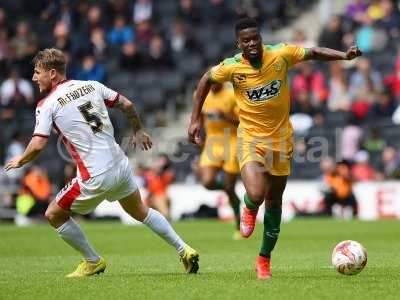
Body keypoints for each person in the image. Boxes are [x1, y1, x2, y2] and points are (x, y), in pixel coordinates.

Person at [188, 18, 361, 281]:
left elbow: (313, 52)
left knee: (274, 202)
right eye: (246, 40)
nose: (252, 43)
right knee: (256, 193)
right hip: (250, 139)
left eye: (255, 38)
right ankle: (248, 206)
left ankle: (264, 260)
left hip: (281, 141)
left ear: (260, 37)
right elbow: (205, 80)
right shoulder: (232, 67)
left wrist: (344, 56)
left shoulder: (280, 53)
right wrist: (194, 119)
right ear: (239, 44)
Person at [5, 48, 199, 278]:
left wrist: (20, 159)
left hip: (94, 175)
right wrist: (138, 131)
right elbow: (126, 104)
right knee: (141, 211)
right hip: (120, 165)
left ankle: (92, 261)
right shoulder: (92, 85)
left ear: (53, 73)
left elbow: (37, 145)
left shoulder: (47, 104)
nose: (34, 77)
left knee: (53, 214)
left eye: (38, 72)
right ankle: (183, 249)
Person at [196, 82, 241, 239]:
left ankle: (238, 224)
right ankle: (229, 191)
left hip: (232, 141)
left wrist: (224, 115)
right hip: (212, 142)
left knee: (230, 186)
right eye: (210, 82)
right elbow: (198, 116)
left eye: (215, 81)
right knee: (208, 182)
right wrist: (197, 133)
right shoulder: (201, 94)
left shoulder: (232, 95)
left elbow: (241, 122)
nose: (212, 85)